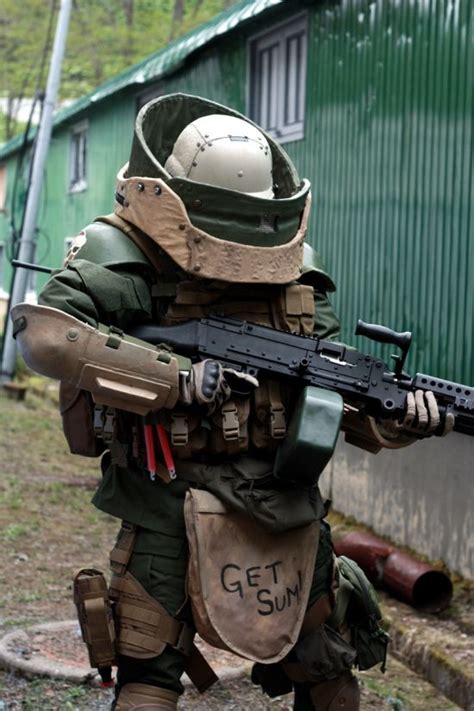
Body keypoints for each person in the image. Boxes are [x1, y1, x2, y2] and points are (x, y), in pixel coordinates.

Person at [12, 94, 447, 711]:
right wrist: (182, 379)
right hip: (168, 495)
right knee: (148, 678)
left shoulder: (297, 279)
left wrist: (399, 421)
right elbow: (47, 333)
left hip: (284, 503)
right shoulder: (127, 255)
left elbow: (331, 394)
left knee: (329, 671)